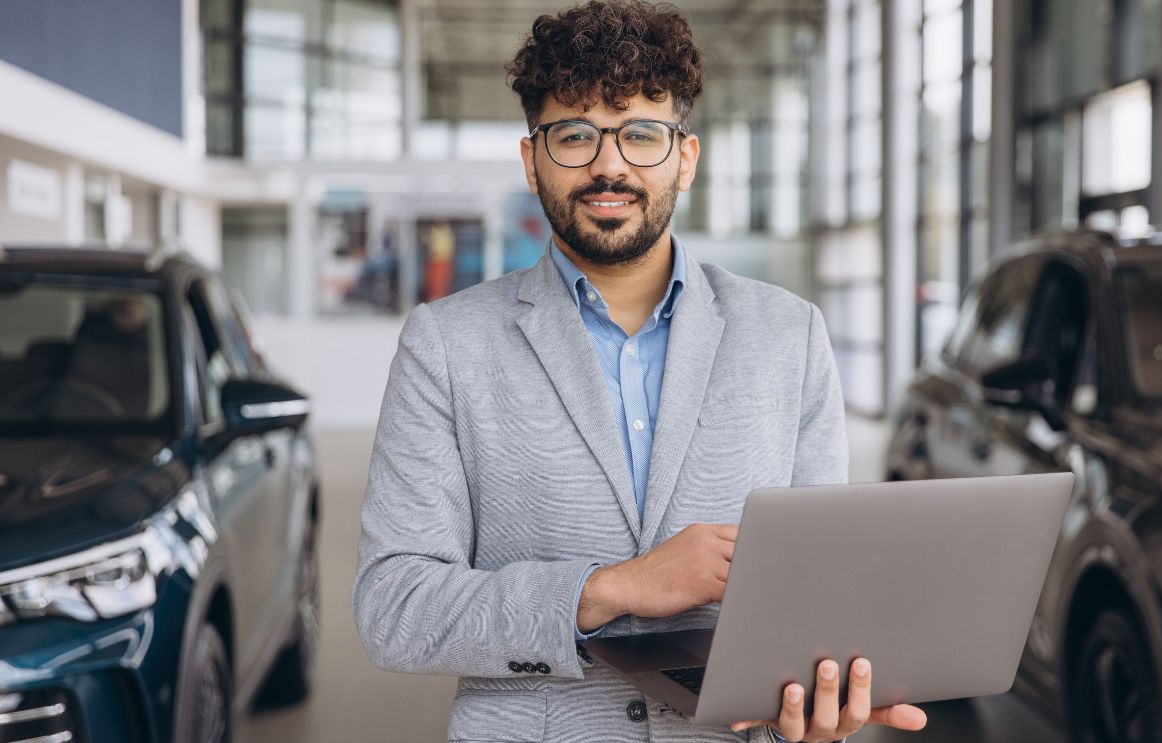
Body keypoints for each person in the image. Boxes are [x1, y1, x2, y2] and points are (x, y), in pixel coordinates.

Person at [352, 2, 928, 741]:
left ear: (684, 158)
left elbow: (820, 590)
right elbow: (394, 607)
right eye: (574, 135)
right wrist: (611, 589)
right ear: (531, 159)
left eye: (641, 134)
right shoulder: (446, 344)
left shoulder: (789, 334)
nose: (609, 165)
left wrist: (815, 706)